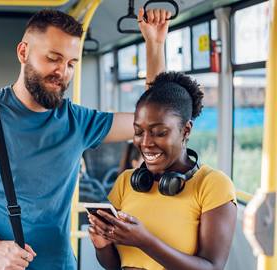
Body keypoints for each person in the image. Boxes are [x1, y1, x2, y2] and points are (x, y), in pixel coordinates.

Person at [0, 8, 171, 270]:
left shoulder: (77, 121)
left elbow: (152, 118)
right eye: (53, 59)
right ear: (23, 52)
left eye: (71, 64)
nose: (63, 72)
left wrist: (155, 45)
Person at [88, 71, 237, 270]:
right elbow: (116, 265)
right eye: (139, 132)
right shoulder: (126, 181)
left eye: (159, 133)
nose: (146, 143)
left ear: (186, 131)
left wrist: (146, 241)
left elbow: (212, 267)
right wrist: (103, 246)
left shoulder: (212, 184)